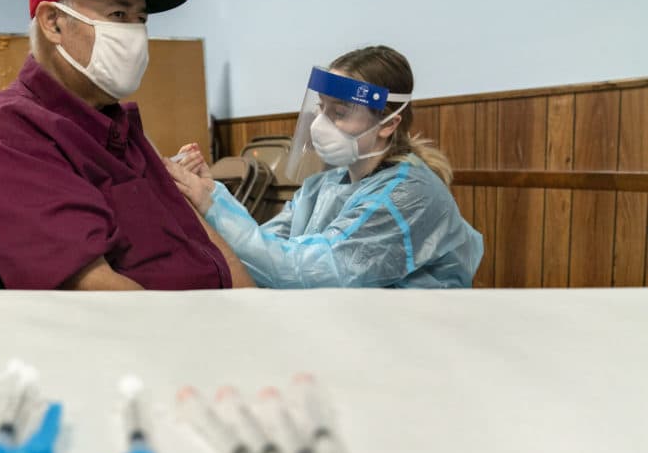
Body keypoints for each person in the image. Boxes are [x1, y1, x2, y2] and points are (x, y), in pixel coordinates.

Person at [0, 0, 254, 290]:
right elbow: (96, 293)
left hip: (209, 325)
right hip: (141, 338)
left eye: (141, 19)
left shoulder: (116, 125)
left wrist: (251, 307)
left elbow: (203, 238)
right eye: (119, 14)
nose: (136, 34)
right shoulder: (7, 133)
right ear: (53, 23)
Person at [167, 45, 484, 288]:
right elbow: (263, 250)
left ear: (388, 124)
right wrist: (210, 201)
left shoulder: (408, 196)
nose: (320, 124)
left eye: (340, 112)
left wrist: (214, 202)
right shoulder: (324, 186)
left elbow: (304, 271)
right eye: (321, 109)